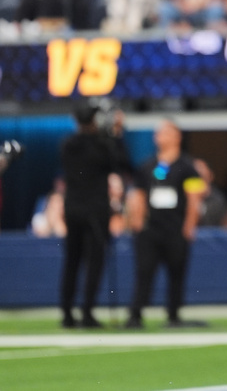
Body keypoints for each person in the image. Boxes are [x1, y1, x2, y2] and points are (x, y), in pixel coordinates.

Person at [125, 120, 207, 329]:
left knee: (176, 273)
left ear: (177, 137)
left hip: (175, 229)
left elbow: (194, 199)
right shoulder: (146, 166)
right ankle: (135, 314)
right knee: (144, 272)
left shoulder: (188, 167)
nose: (160, 136)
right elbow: (138, 195)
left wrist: (189, 226)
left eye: (166, 132)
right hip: (150, 229)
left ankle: (173, 315)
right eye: (158, 133)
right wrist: (137, 221)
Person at [59, 103, 130, 328]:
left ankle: (67, 313)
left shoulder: (68, 144)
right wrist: (115, 134)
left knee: (72, 261)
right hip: (95, 210)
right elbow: (122, 163)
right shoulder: (101, 145)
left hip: (72, 209)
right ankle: (87, 312)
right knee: (95, 261)